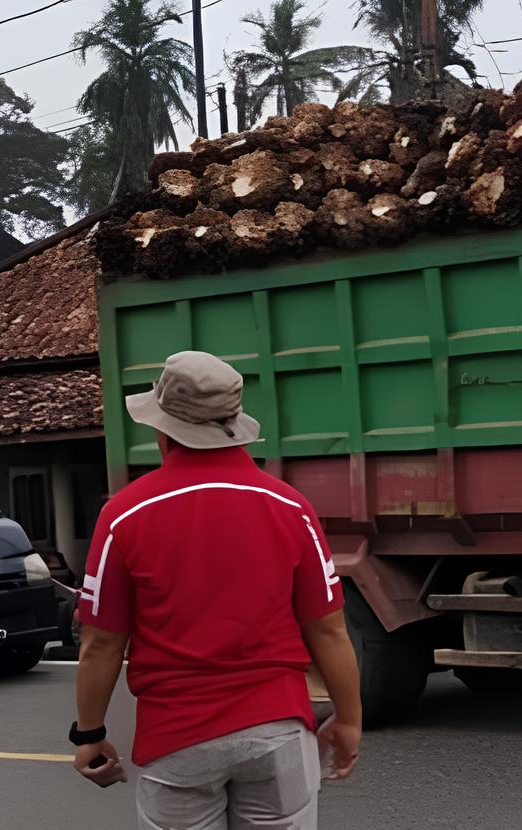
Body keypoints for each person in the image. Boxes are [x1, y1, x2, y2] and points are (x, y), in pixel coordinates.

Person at [71, 351, 363, 829]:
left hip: (176, 739)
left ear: (162, 427)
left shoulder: (123, 515)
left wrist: (89, 733)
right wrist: (349, 720)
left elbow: (100, 643)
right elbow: (329, 630)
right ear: (235, 422)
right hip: (278, 731)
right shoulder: (291, 507)